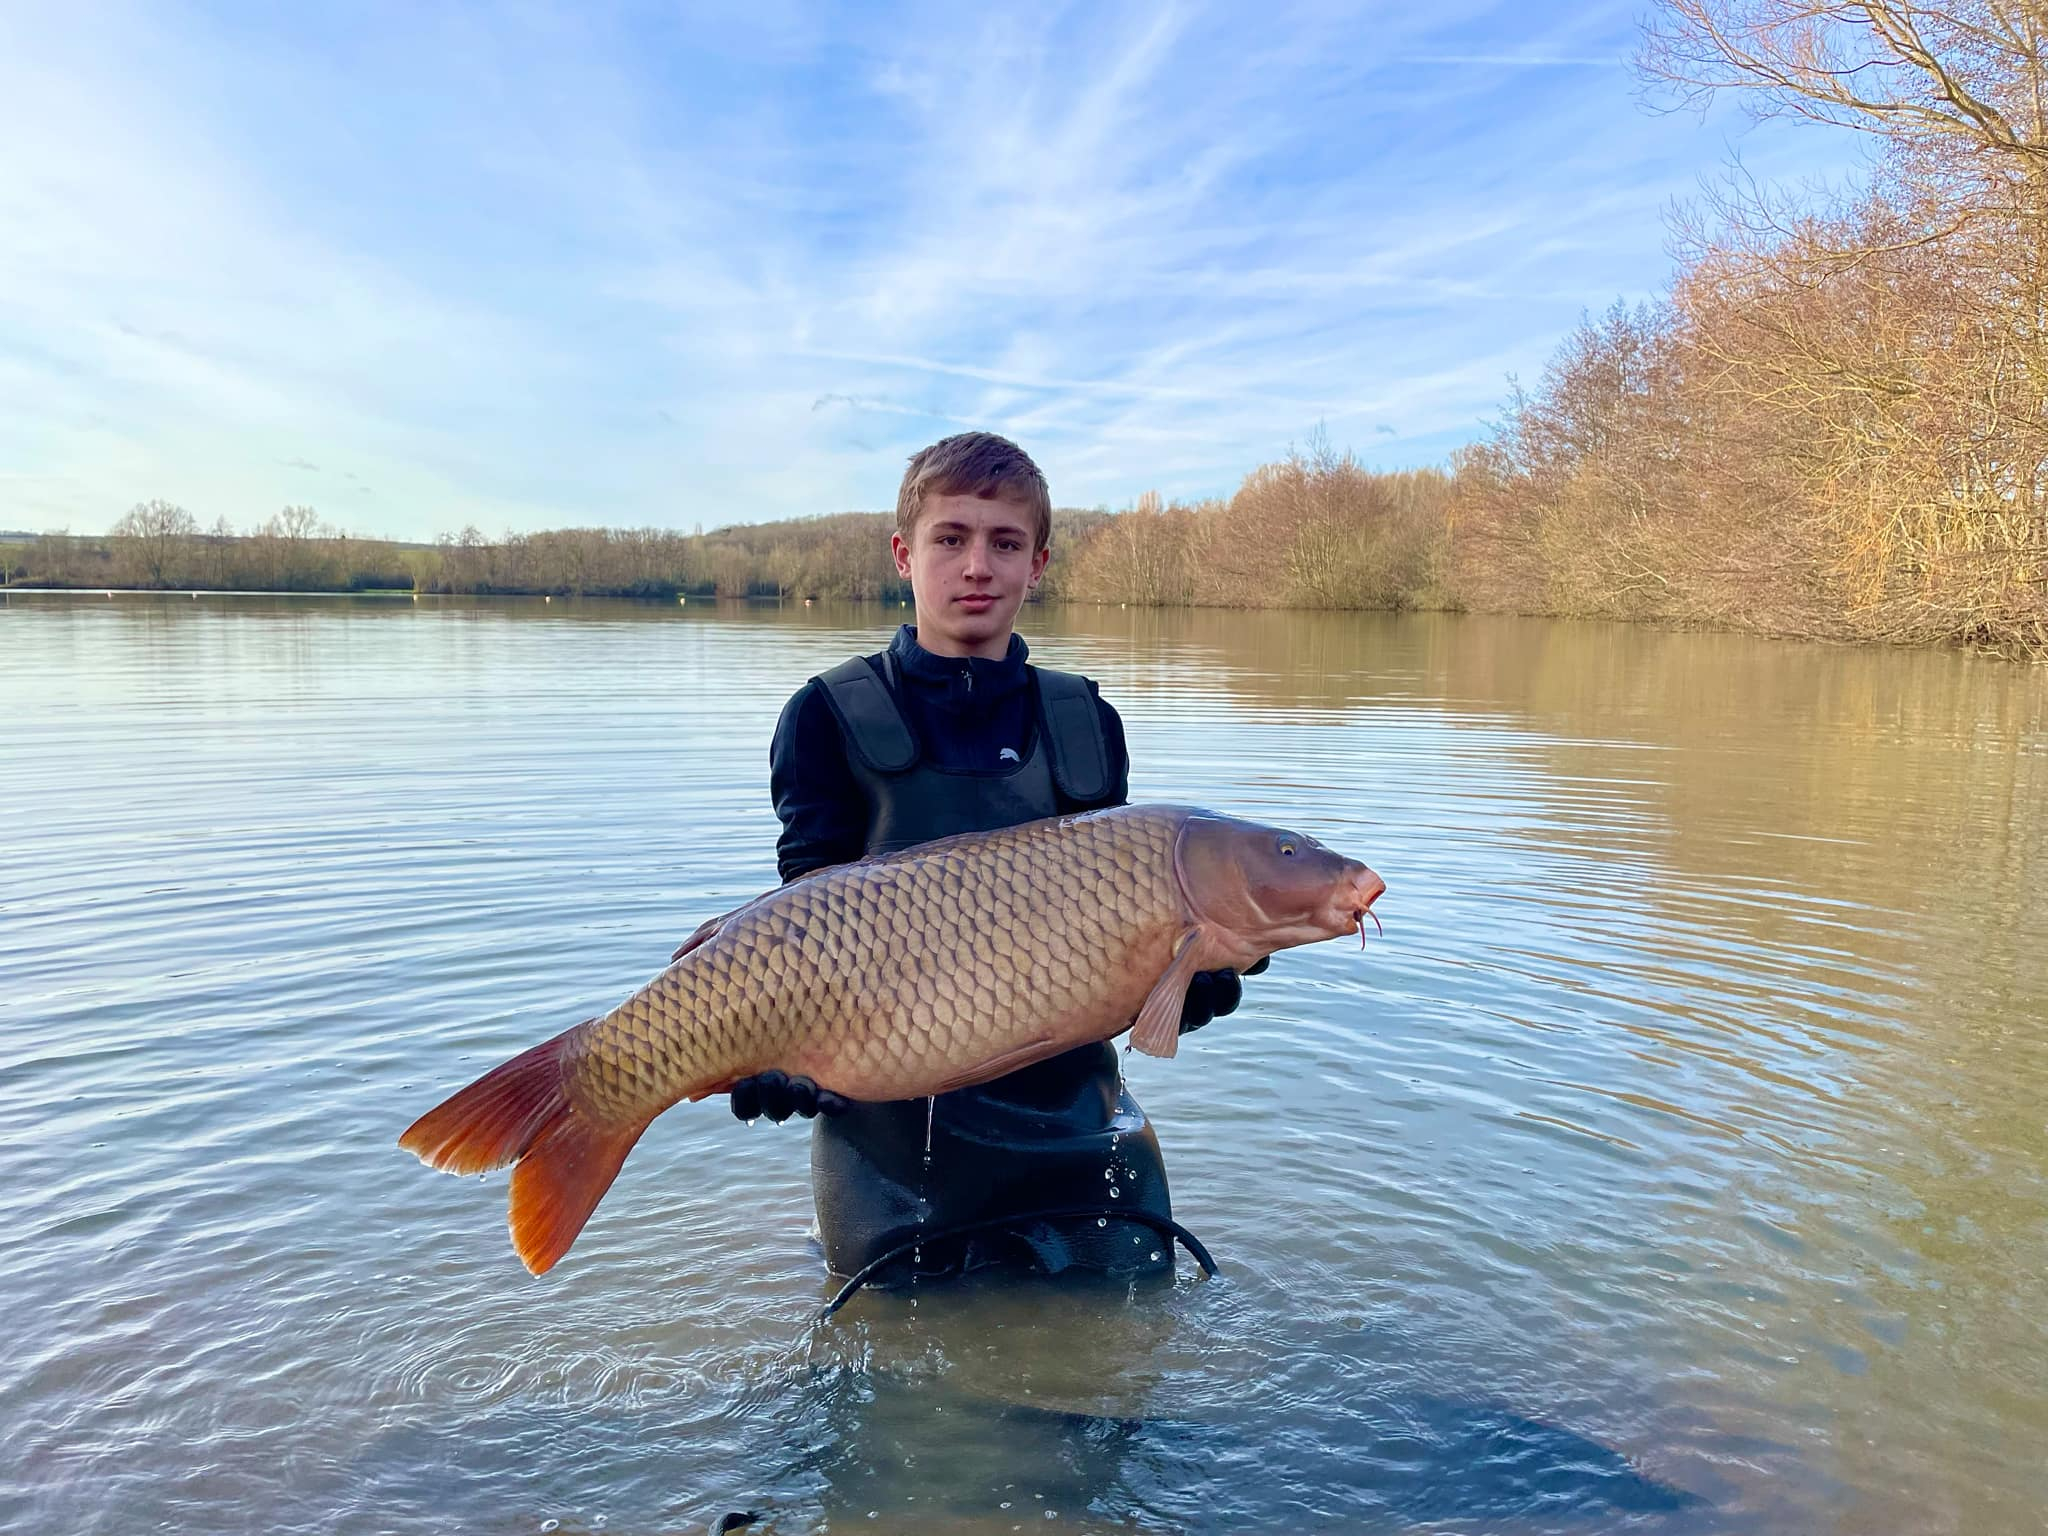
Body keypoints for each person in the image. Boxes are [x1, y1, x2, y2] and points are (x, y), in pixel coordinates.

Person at [731, 432, 1260, 1287]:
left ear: (1037, 564)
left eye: (1005, 543)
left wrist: (1180, 985)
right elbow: (808, 923)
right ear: (904, 554)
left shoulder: (1085, 720)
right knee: (899, 1371)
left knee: (1124, 1357)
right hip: (888, 1148)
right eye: (950, 538)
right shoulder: (826, 716)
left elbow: (1116, 938)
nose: (977, 566)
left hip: (1078, 1132)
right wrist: (778, 1052)